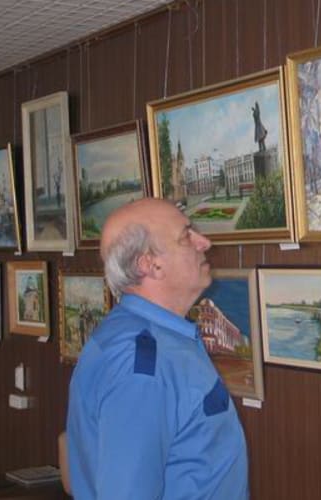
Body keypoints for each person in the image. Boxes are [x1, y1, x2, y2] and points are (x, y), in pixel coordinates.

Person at [66, 198, 248, 499]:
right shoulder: (143, 366)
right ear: (150, 264)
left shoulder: (142, 336)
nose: (204, 242)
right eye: (186, 236)